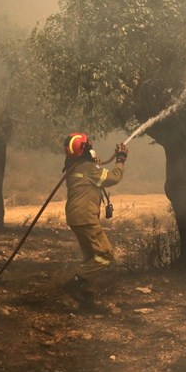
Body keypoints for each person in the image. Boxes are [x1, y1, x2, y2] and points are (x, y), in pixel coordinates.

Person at [60, 132, 127, 312]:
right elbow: (113, 177)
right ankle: (74, 283)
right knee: (105, 254)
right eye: (89, 147)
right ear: (84, 150)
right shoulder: (89, 169)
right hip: (86, 218)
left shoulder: (74, 167)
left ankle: (86, 302)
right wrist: (120, 159)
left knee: (91, 257)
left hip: (76, 218)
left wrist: (95, 163)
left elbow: (92, 175)